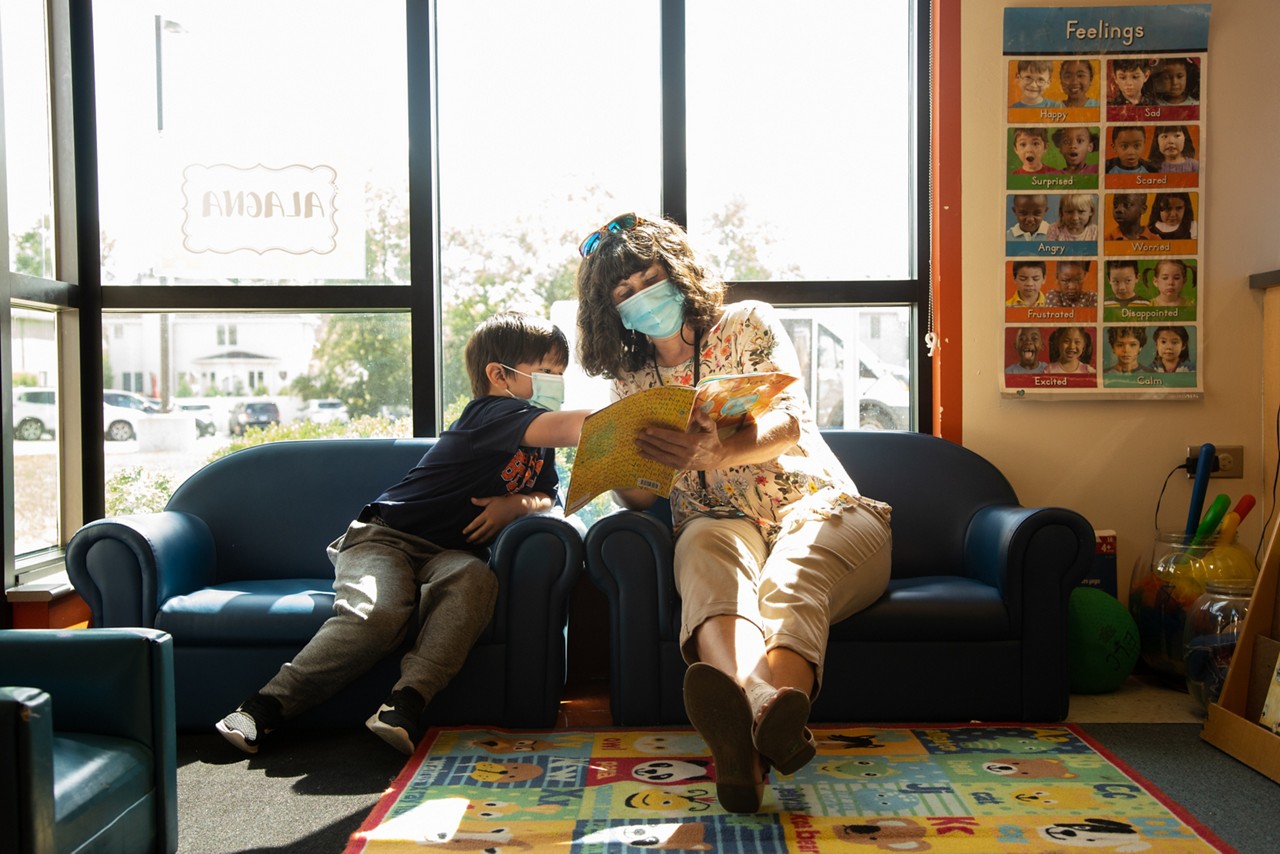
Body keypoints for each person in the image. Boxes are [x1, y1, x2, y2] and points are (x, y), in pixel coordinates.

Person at [574, 213, 892, 814]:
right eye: (625, 292)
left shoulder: (747, 321)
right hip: (715, 518)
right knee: (702, 552)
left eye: (650, 277)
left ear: (677, 270)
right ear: (609, 311)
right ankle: (766, 709)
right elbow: (642, 496)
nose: (643, 295)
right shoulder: (632, 376)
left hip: (818, 508)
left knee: (790, 577)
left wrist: (720, 447)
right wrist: (618, 471)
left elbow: (790, 418)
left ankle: (745, 748)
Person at [215, 312, 592, 756]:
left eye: (561, 375)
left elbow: (549, 495)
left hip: (449, 553)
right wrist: (631, 416)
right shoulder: (492, 414)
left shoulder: (537, 440)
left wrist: (518, 504)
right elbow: (573, 427)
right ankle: (263, 708)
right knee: (378, 614)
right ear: (499, 376)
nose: (557, 384)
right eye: (546, 372)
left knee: (476, 581)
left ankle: (405, 703)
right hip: (386, 538)